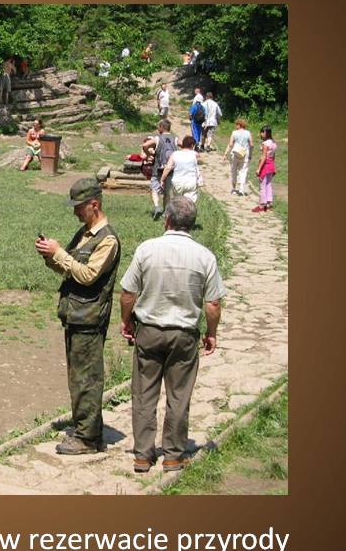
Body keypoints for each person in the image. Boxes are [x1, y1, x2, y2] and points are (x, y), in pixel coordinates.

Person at [118, 196, 225, 473]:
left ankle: (143, 456)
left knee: (144, 394)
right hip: (184, 334)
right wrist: (211, 333)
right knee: (179, 396)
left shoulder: (147, 249)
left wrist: (126, 321)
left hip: (149, 330)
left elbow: (128, 292)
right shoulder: (205, 256)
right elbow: (213, 303)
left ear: (167, 219)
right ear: (192, 224)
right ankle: (173, 456)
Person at [35, 178, 121, 455]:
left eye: (79, 206)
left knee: (87, 379)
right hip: (77, 315)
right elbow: (70, 270)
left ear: (94, 205)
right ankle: (88, 429)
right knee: (78, 377)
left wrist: (59, 253)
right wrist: (50, 257)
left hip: (89, 318)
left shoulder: (107, 240)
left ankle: (87, 438)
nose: (75, 212)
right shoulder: (85, 234)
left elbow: (87, 275)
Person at [142, 119, 178, 220]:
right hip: (170, 169)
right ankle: (165, 212)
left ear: (162, 127)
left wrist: (148, 155)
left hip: (158, 169)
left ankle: (157, 206)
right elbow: (184, 146)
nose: (158, 128)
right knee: (167, 192)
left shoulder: (158, 138)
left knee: (154, 189)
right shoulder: (175, 138)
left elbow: (145, 145)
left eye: (158, 126)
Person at [161, 135, 201, 203]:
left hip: (178, 182)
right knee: (190, 203)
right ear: (192, 145)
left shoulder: (174, 154)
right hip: (190, 182)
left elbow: (168, 168)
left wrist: (162, 179)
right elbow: (197, 156)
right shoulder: (195, 154)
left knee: (178, 203)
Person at [224, 118, 253, 196]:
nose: (236, 126)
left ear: (239, 125)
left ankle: (234, 188)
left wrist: (226, 153)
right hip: (245, 154)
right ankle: (241, 190)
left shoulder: (234, 133)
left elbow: (230, 144)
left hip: (235, 153)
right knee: (243, 171)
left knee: (234, 171)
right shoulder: (248, 133)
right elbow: (251, 144)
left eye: (236, 124)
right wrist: (250, 154)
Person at [253, 125, 278, 213]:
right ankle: (269, 204)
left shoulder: (265, 144)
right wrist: (273, 166)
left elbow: (264, 156)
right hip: (271, 164)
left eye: (261, 132)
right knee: (268, 184)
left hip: (265, 165)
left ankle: (262, 205)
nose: (260, 134)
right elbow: (273, 156)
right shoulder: (273, 143)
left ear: (265, 132)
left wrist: (259, 169)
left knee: (262, 185)